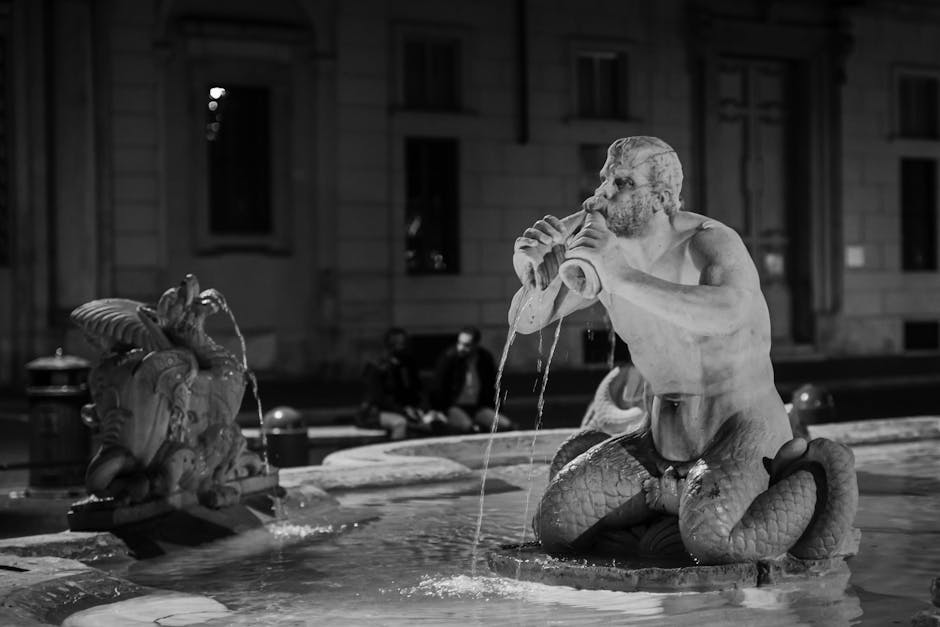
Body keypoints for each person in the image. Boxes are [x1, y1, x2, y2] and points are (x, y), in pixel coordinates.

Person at [510, 136, 815, 561]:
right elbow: (525, 322)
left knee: (714, 541)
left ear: (661, 197)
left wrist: (622, 278)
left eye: (622, 182)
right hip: (657, 446)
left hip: (738, 431)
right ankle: (669, 517)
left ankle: (804, 481)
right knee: (556, 523)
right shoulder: (606, 252)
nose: (602, 194)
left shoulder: (709, 241)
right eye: (604, 180)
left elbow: (729, 310)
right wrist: (534, 271)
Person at [358, 327, 446, 440]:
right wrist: (403, 410)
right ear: (389, 346)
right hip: (377, 412)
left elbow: (416, 389)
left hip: (405, 410)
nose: (401, 347)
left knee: (433, 423)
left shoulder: (408, 364)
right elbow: (378, 398)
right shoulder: (377, 367)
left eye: (403, 343)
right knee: (400, 423)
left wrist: (421, 409)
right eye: (396, 344)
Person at [431, 326, 515, 433]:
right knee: (470, 429)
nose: (461, 348)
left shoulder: (484, 358)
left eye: (466, 345)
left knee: (506, 426)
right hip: (455, 407)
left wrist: (496, 408)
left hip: (478, 407)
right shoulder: (449, 358)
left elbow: (493, 385)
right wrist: (440, 410)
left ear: (476, 345)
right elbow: (438, 387)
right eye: (459, 343)